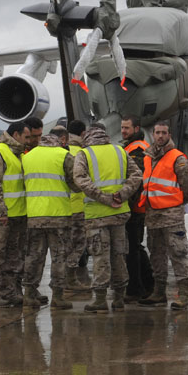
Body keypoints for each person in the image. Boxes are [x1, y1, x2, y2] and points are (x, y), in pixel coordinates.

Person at [71, 123, 143, 313]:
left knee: (100, 257)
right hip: (119, 214)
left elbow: (80, 180)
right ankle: (119, 298)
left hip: (97, 215)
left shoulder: (84, 154)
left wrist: (104, 198)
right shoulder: (119, 151)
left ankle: (100, 300)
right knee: (119, 255)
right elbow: (136, 175)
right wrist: (122, 194)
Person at [137, 120, 188, 310]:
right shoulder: (148, 158)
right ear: (152, 135)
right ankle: (158, 292)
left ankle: (183, 296)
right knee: (157, 255)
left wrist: (176, 202)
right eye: (157, 133)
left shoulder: (177, 158)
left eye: (164, 133)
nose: (160, 136)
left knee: (178, 253)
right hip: (153, 216)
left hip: (172, 216)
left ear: (169, 135)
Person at [21, 131, 76, 310]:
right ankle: (58, 297)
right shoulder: (63, 155)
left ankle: (29, 293)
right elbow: (76, 183)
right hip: (58, 215)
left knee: (34, 256)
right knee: (59, 256)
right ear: (59, 141)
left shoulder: (28, 157)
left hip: (35, 215)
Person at [0, 120, 29, 307]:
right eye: (25, 137)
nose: (27, 141)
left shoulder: (17, 154)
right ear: (15, 135)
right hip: (0, 216)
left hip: (17, 215)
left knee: (13, 256)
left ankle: (8, 292)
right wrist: (1, 211)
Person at [121, 115, 154, 303]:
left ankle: (136, 287)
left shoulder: (138, 149)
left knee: (132, 248)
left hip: (135, 208)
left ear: (136, 128)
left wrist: (126, 204)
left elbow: (136, 182)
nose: (123, 131)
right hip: (135, 207)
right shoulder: (131, 147)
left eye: (127, 128)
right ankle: (147, 283)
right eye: (122, 128)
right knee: (135, 247)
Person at [64, 119, 90, 293]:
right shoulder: (83, 154)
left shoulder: (61, 152)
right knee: (78, 245)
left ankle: (62, 278)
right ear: (82, 134)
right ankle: (70, 278)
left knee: (64, 246)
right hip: (79, 208)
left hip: (62, 208)